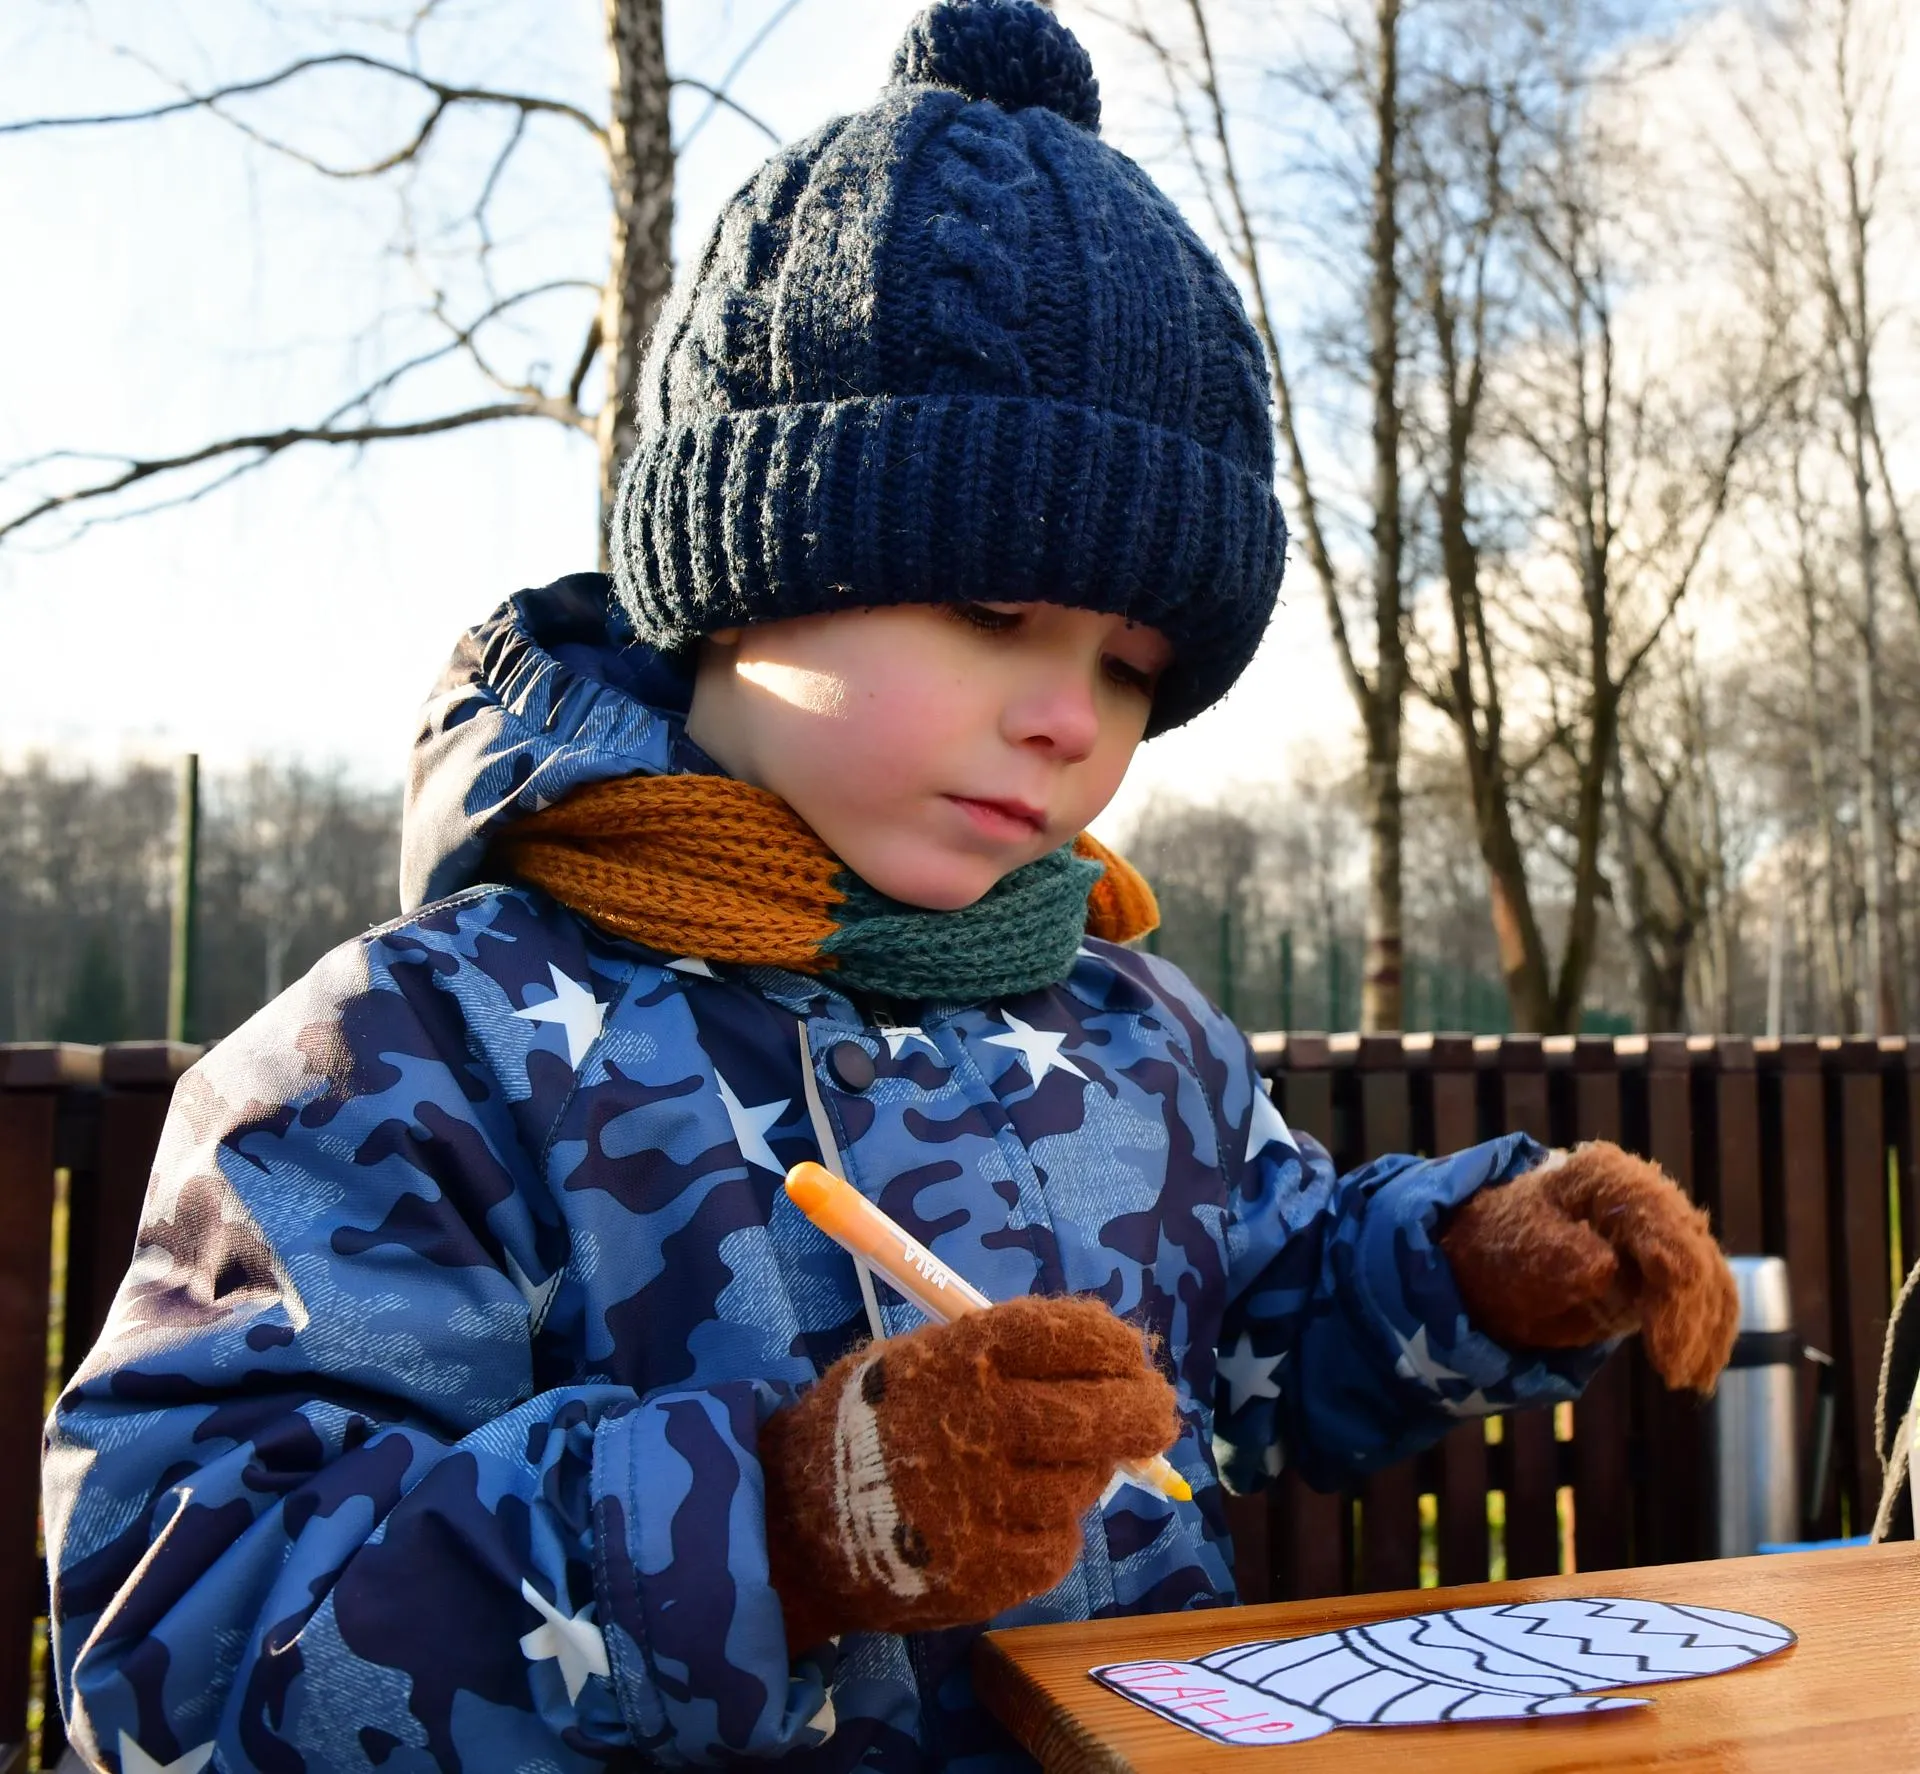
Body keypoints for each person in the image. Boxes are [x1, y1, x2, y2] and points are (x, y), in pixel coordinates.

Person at [41, 5, 1739, 1770]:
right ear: (751, 562)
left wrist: (1475, 1269)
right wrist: (780, 1522)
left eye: (1138, 664)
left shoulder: (1131, 1022)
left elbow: (1246, 1341)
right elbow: (186, 1643)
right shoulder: (412, 1051)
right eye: (997, 611)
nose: (1073, 716)